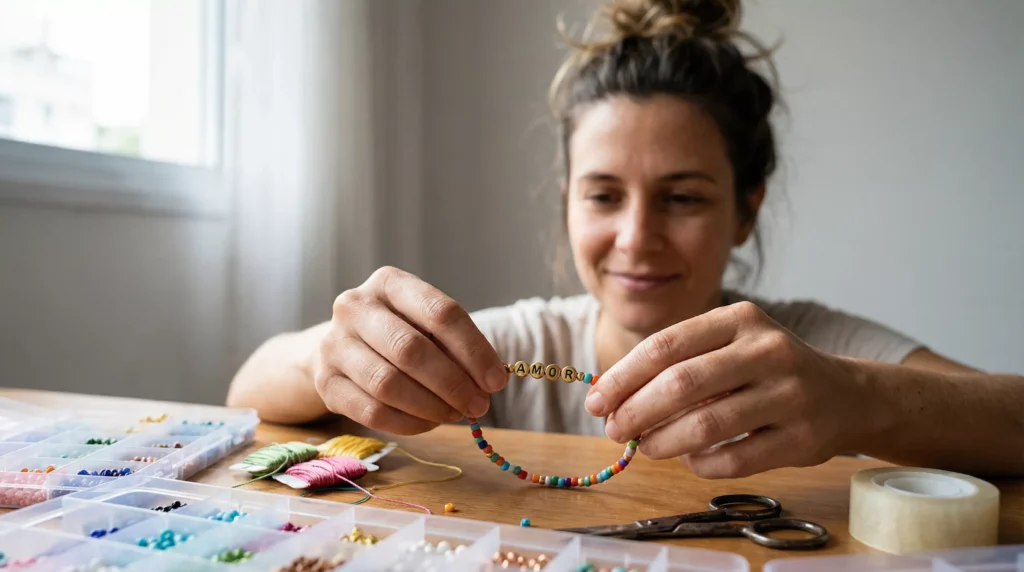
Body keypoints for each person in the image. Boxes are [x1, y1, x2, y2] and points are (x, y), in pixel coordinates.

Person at [227, 0, 1024, 479]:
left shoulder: (810, 353)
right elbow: (245, 396)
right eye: (603, 195)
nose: (636, 238)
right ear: (567, 202)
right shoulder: (510, 350)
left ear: (746, 210)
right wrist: (322, 357)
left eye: (682, 197)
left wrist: (860, 402)